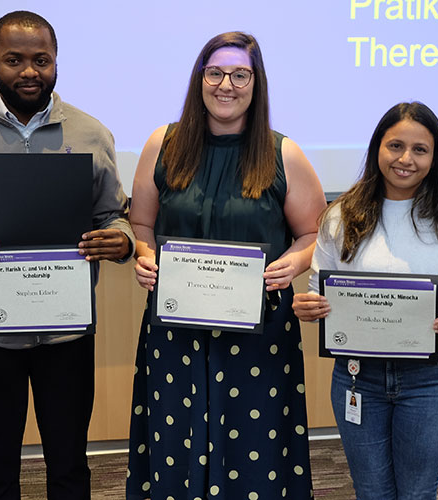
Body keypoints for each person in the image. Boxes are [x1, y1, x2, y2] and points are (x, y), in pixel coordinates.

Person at [0, 11, 134, 500]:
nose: (29, 71)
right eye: (14, 60)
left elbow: (112, 216)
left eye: (41, 60)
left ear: (56, 62)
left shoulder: (91, 133)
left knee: (70, 463)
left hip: (68, 331)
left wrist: (122, 241)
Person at [126, 32, 327, 499]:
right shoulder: (164, 143)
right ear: (200, 79)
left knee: (254, 445)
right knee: (175, 440)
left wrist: (292, 263)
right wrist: (144, 255)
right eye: (215, 73)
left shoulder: (283, 153)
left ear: (256, 84)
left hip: (259, 332)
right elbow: (141, 223)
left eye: (240, 74)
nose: (226, 85)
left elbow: (316, 234)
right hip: (175, 328)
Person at [293, 102, 438, 499]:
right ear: (376, 148)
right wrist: (309, 305)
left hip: (433, 381)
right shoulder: (341, 214)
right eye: (395, 145)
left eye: (420, 150)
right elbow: (319, 286)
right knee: (371, 491)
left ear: (435, 158)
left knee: (417, 492)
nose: (405, 159)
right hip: (357, 378)